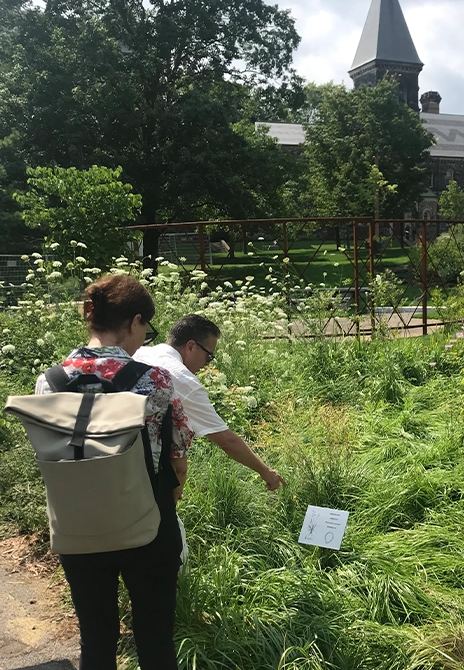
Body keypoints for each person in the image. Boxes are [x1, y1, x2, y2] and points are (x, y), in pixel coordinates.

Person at [35, 274, 193, 670]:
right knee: (155, 639)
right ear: (135, 321)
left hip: (77, 526)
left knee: (96, 638)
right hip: (146, 521)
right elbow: (178, 456)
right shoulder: (153, 380)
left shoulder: (48, 382)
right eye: (146, 328)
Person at [134, 314, 286, 491]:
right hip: (146, 478)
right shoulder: (182, 379)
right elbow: (227, 441)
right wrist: (266, 472)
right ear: (191, 346)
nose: (207, 364)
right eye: (209, 357)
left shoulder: (139, 352)